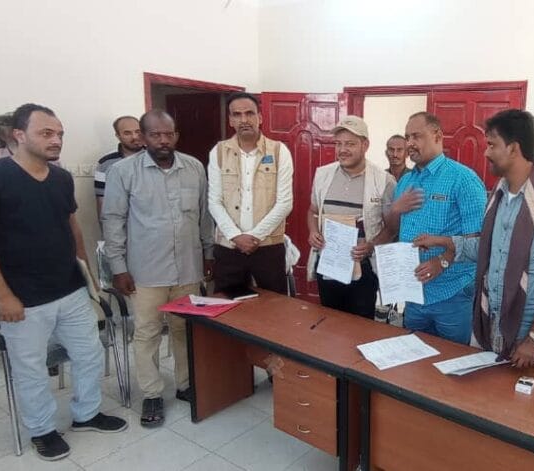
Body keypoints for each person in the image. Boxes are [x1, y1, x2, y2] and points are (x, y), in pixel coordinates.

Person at [0, 103, 127, 461]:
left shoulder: (61, 178)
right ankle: (42, 430)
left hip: (69, 288)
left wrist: (88, 278)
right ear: (19, 135)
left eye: (60, 134)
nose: (56, 140)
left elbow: (72, 228)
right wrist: (3, 296)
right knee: (31, 369)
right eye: (46, 133)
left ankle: (86, 414)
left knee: (89, 354)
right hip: (22, 297)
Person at [414, 110, 534, 369]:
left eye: (492, 145)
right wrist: (447, 243)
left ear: (513, 149)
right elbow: (491, 249)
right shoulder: (500, 193)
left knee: (530, 395)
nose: (486, 153)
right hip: (494, 322)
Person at [102, 110, 213, 427]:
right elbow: (113, 220)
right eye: (155, 134)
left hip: (188, 268)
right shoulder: (123, 171)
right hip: (146, 271)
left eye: (169, 134)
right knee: (148, 332)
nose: (163, 140)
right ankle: (151, 393)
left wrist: (208, 253)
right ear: (143, 136)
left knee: (184, 329)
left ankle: (185, 384)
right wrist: (118, 267)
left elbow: (204, 215)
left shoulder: (194, 167)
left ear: (176, 135)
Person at [385, 112, 486, 344]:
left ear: (437, 136)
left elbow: (479, 243)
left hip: (452, 292)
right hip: (413, 292)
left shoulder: (464, 179)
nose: (410, 143)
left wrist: (442, 261)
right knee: (414, 356)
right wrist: (395, 209)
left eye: (416, 136)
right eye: (408, 137)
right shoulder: (406, 181)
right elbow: (392, 229)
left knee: (451, 360)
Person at [307, 116, 396, 318]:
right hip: (328, 264)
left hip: (363, 268)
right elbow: (312, 211)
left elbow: (392, 228)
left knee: (360, 327)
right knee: (329, 322)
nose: (342, 150)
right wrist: (312, 231)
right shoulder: (322, 175)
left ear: (365, 145)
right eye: (338, 144)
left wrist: (371, 245)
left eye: (350, 144)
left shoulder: (384, 181)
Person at [208, 92, 293, 298]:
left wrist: (254, 236)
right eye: (237, 115)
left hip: (268, 246)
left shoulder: (279, 151)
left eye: (249, 113)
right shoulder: (218, 152)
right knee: (228, 306)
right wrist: (236, 236)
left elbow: (285, 202)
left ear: (260, 117)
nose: (244, 120)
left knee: (274, 306)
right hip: (229, 247)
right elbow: (214, 201)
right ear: (230, 120)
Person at [94, 116, 143, 220]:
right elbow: (101, 200)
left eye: (138, 131)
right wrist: (106, 228)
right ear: (118, 136)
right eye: (127, 133)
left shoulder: (155, 157)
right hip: (121, 224)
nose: (135, 137)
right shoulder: (105, 163)